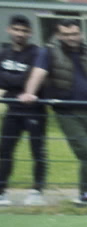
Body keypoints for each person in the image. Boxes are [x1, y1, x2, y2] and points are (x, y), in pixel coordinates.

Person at [33, 20, 87, 205]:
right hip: (68, 112)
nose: (71, 38)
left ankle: (85, 194)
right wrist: (29, 92)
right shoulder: (49, 53)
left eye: (75, 34)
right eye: (66, 34)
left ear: (81, 33)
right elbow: (38, 73)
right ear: (59, 35)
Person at [0, 15, 50, 207]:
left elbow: (30, 79)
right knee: (5, 151)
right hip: (12, 109)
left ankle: (37, 190)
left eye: (24, 31)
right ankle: (2, 190)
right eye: (17, 30)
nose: (20, 34)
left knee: (37, 151)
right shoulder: (3, 54)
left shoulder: (37, 53)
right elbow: (8, 80)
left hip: (34, 110)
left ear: (30, 33)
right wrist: (17, 81)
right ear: (9, 30)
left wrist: (12, 80)